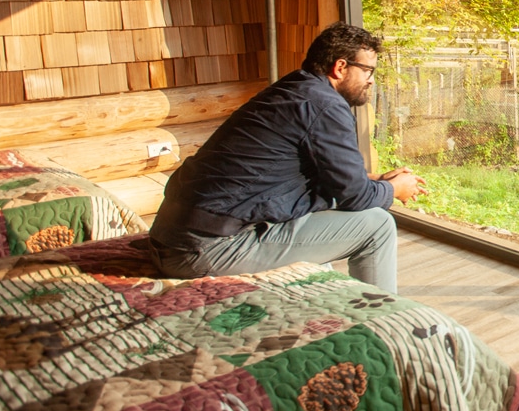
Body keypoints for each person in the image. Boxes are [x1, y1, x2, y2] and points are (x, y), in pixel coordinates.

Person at [148, 22, 423, 293]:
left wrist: (374, 179)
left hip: (171, 238)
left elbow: (322, 175)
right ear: (340, 67)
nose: (371, 79)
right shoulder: (326, 106)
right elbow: (354, 197)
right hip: (203, 249)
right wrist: (393, 189)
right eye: (368, 70)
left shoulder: (293, 90)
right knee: (378, 225)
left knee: (324, 217)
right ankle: (378, 318)